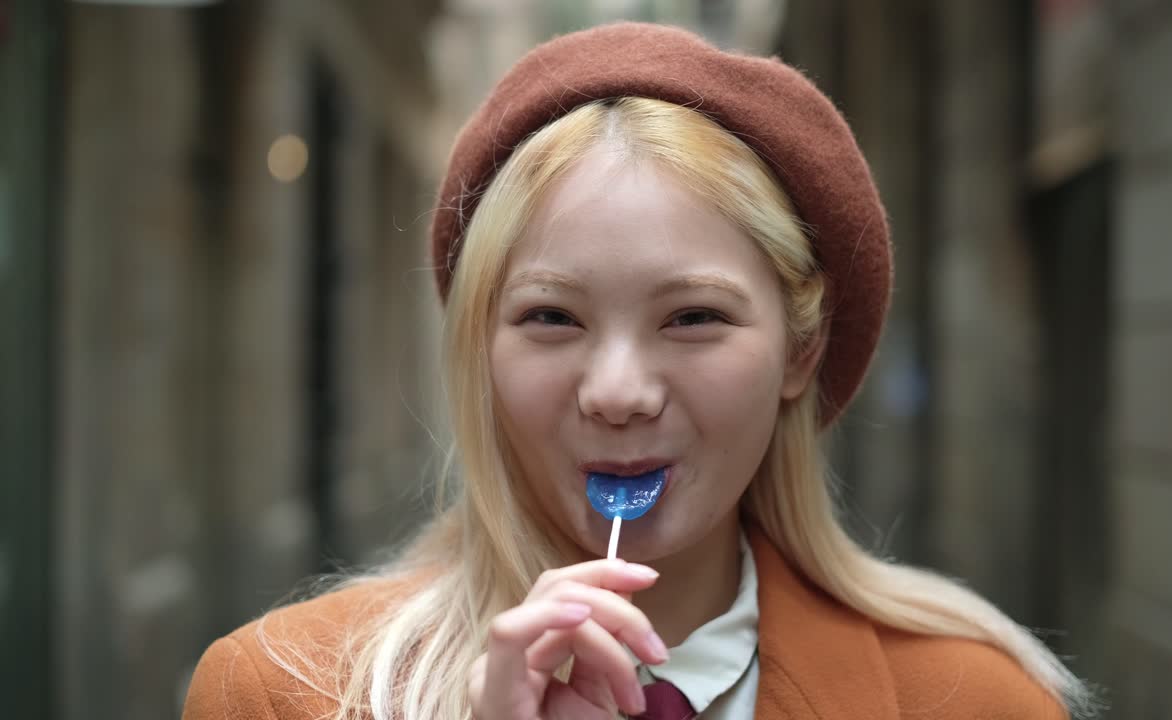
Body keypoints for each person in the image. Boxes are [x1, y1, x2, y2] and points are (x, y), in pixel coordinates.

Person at [182, 22, 1094, 720]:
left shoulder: (978, 699)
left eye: (692, 318)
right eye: (550, 318)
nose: (617, 392)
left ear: (800, 351)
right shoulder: (275, 694)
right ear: (478, 350)